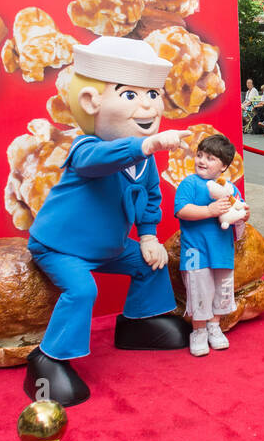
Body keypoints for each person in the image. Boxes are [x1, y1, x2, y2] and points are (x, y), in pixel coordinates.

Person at [23, 37, 189, 406]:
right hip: (61, 248)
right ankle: (48, 359)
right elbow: (97, 162)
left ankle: (139, 323)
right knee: (82, 291)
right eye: (130, 95)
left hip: (111, 248)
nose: (146, 105)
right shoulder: (86, 146)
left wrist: (148, 237)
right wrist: (146, 145)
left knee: (152, 264)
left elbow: (150, 199)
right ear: (91, 103)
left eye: (151, 94)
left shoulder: (145, 161)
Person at [173, 132, 247, 356]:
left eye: (210, 158)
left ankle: (214, 327)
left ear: (224, 166)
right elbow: (182, 210)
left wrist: (243, 214)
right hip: (196, 251)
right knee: (199, 289)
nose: (202, 161)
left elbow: (239, 209)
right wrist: (209, 210)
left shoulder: (230, 188)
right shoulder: (189, 183)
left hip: (222, 250)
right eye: (200, 155)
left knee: (221, 290)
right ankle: (199, 331)